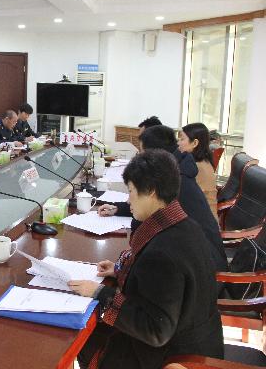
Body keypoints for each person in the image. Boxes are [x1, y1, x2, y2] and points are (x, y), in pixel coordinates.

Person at [70, 149, 224, 369]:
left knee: (85, 338)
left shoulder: (161, 254)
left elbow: (155, 330)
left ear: (151, 191)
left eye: (131, 191)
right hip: (199, 341)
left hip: (174, 358)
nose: (128, 199)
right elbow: (162, 287)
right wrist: (120, 270)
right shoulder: (185, 225)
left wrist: (100, 292)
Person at [97, 125, 227, 272]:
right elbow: (149, 205)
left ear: (154, 157)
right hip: (198, 259)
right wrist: (118, 209)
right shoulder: (176, 170)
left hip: (204, 267)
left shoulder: (175, 182)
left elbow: (144, 223)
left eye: (143, 153)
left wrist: (118, 273)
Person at [178, 123, 218, 219]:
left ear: (195, 143)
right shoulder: (202, 161)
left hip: (202, 221)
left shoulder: (195, 167)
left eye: (182, 139)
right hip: (201, 216)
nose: (178, 143)